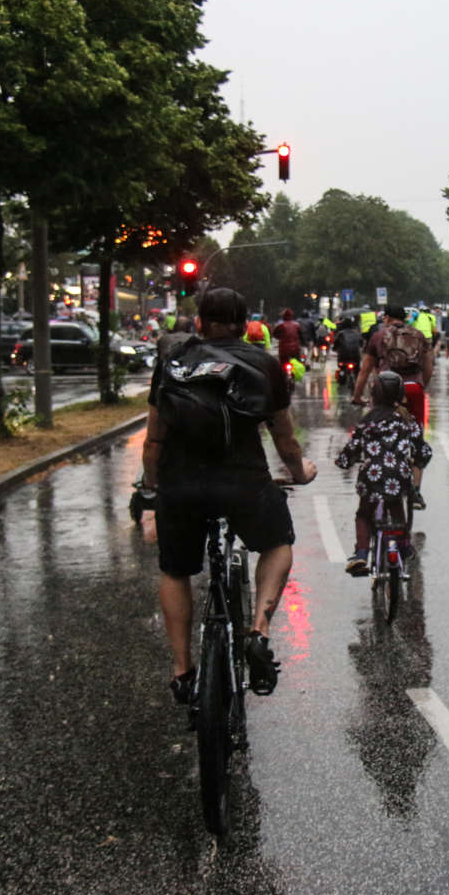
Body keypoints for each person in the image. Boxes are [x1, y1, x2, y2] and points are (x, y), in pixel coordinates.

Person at [141, 288, 318, 703]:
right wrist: (299, 473)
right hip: (244, 483)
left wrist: (153, 488)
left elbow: (153, 439)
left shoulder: (173, 360)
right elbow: (285, 438)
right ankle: (259, 629)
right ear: (244, 324)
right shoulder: (264, 364)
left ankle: (182, 671)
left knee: (175, 570)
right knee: (277, 543)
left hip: (181, 485)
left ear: (200, 322)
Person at [335, 371, 433, 575]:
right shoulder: (407, 421)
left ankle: (361, 554)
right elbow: (422, 451)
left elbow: (351, 450)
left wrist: (344, 461)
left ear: (373, 395)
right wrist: (419, 461)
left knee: (364, 514)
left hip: (371, 477)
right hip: (399, 477)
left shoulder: (367, 421)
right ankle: (404, 546)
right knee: (397, 511)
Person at [351, 304, 431, 507]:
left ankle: (377, 477)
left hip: (385, 389)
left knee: (377, 432)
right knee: (416, 438)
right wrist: (420, 386)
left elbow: (365, 370)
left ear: (386, 318)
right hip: (413, 388)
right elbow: (428, 366)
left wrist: (357, 396)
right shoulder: (419, 335)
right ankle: (415, 490)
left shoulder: (378, 337)